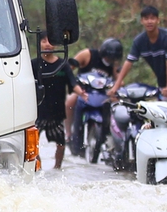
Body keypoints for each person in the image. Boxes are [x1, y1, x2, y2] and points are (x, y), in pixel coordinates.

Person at [116, 5, 167, 106]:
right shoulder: (139, 41)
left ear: (158, 20)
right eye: (146, 19)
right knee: (162, 111)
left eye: (152, 18)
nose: (149, 21)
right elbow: (129, 62)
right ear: (142, 21)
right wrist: (116, 86)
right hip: (162, 78)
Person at [67, 36, 124, 157]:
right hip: (83, 90)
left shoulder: (113, 64)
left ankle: (112, 135)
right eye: (108, 57)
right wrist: (72, 83)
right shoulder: (87, 55)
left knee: (118, 104)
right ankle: (68, 135)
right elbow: (68, 68)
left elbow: (118, 79)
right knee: (69, 102)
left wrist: (117, 86)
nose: (110, 60)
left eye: (113, 59)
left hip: (102, 94)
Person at [32, 37, 76, 170]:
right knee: (32, 143)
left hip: (56, 111)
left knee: (61, 143)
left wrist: (83, 94)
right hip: (37, 111)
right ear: (39, 43)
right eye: (44, 41)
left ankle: (57, 168)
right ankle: (37, 167)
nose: (48, 45)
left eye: (51, 41)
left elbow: (73, 83)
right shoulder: (34, 64)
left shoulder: (63, 65)